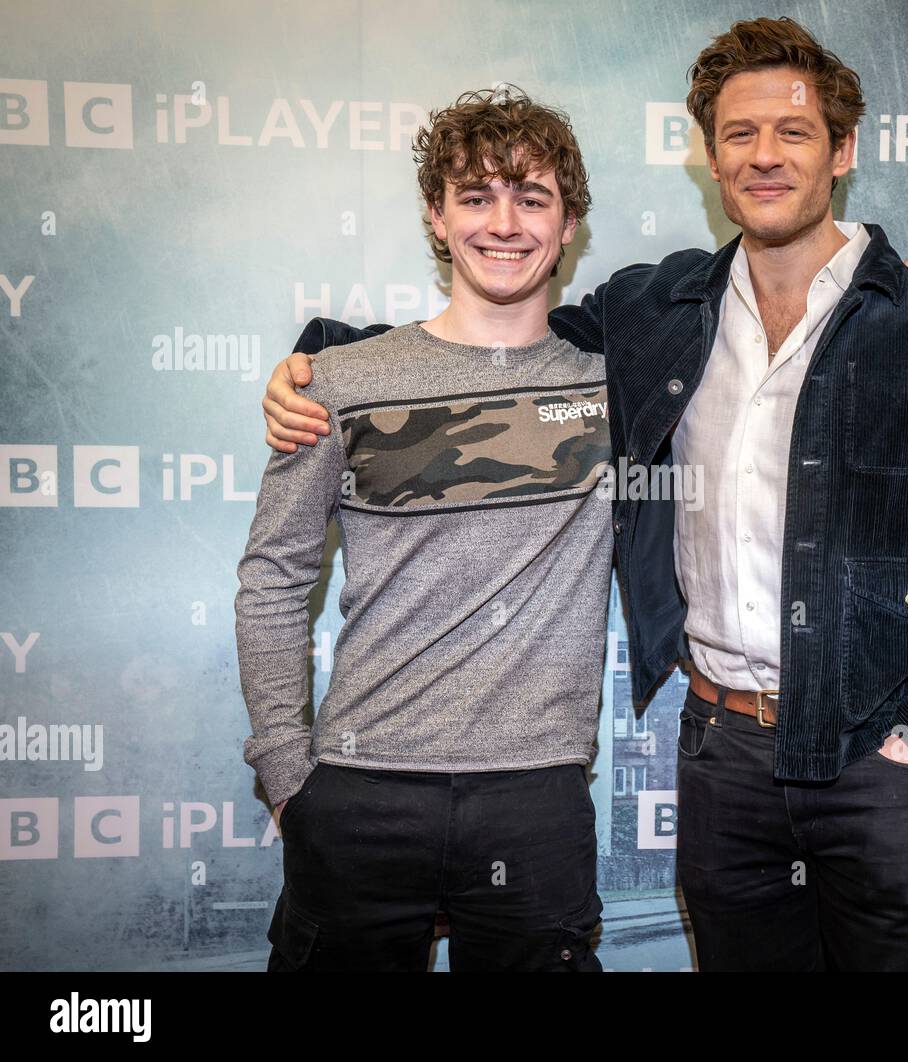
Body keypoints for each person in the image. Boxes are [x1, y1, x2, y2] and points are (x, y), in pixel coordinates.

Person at [264, 17, 908, 972]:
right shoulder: (656, 312)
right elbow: (489, 346)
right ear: (710, 157)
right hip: (722, 761)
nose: (765, 156)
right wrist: (321, 356)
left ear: (842, 151)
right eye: (740, 135)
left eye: (793, 133)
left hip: (880, 764)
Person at [235, 86, 610, 972]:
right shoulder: (337, 380)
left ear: (568, 225)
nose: (504, 224)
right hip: (360, 790)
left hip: (538, 794)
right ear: (437, 219)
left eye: (533, 198)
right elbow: (275, 577)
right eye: (476, 197)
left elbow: (762, 308)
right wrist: (289, 774)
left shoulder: (616, 383)